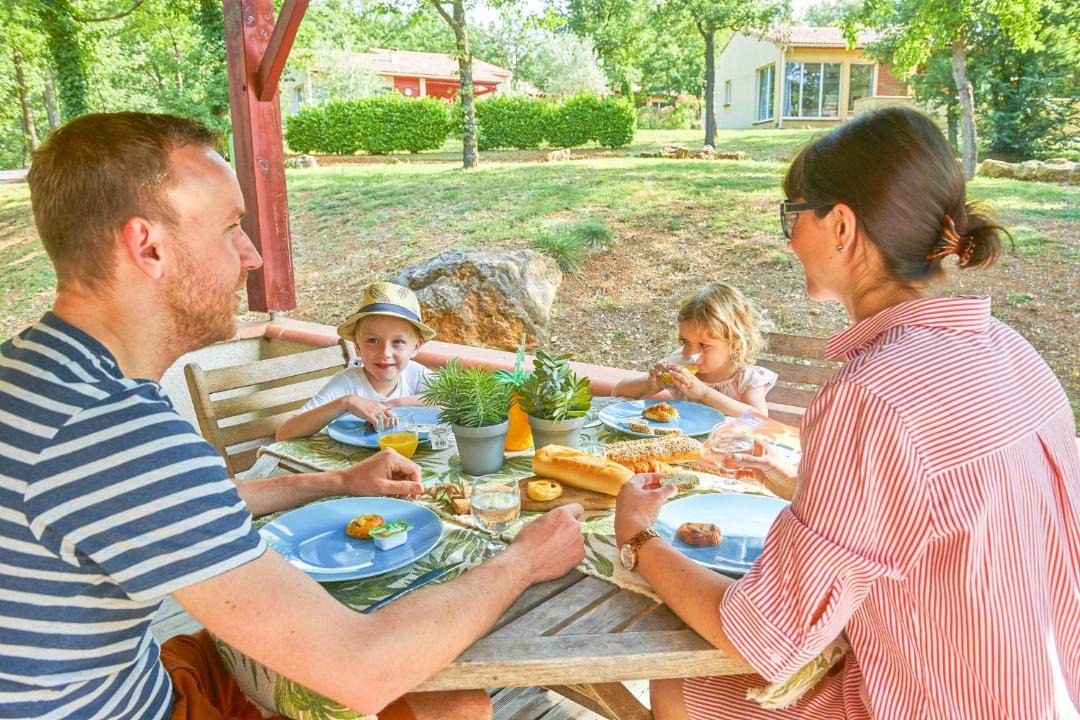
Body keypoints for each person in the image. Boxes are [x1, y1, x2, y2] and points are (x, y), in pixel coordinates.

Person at [0, 111, 586, 720]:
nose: (251, 256)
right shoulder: (116, 431)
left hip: (138, 677)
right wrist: (524, 560)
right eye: (231, 228)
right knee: (451, 705)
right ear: (147, 246)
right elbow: (363, 669)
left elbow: (177, 501)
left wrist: (334, 481)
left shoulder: (42, 376)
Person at [614, 106, 1079, 719]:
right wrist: (805, 489)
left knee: (677, 686)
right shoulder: (1009, 349)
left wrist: (637, 540)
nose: (787, 238)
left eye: (793, 214)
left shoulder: (871, 393)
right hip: (1046, 691)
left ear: (840, 224)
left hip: (930, 703)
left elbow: (765, 636)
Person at [276, 282, 434, 440]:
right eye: (373, 340)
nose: (385, 353)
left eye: (397, 342)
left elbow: (455, 399)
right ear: (358, 345)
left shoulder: (416, 374)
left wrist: (396, 404)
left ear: (415, 347)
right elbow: (284, 434)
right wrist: (346, 403)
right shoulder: (347, 383)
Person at [611, 283, 775, 417]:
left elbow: (760, 419)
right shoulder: (681, 365)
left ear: (734, 341)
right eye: (685, 341)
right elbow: (618, 391)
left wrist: (704, 393)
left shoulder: (745, 379)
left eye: (704, 345)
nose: (690, 353)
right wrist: (650, 385)